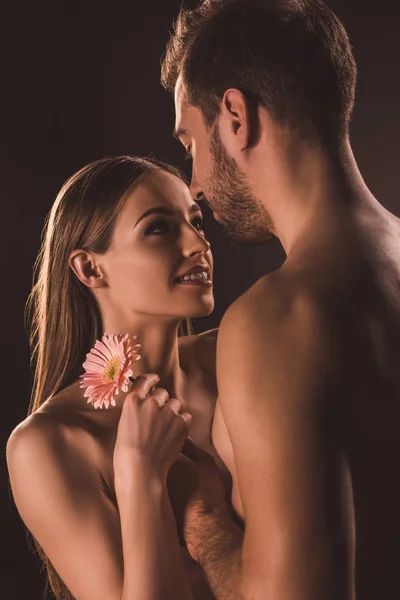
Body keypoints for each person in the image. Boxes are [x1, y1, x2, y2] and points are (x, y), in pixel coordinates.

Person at [160, 0, 400, 599]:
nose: (192, 183)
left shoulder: (279, 320)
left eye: (191, 142)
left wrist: (202, 518)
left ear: (236, 117)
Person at [6, 155, 235, 600]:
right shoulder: (49, 445)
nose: (197, 244)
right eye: (159, 228)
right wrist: (139, 478)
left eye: (197, 222)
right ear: (90, 268)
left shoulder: (235, 355)